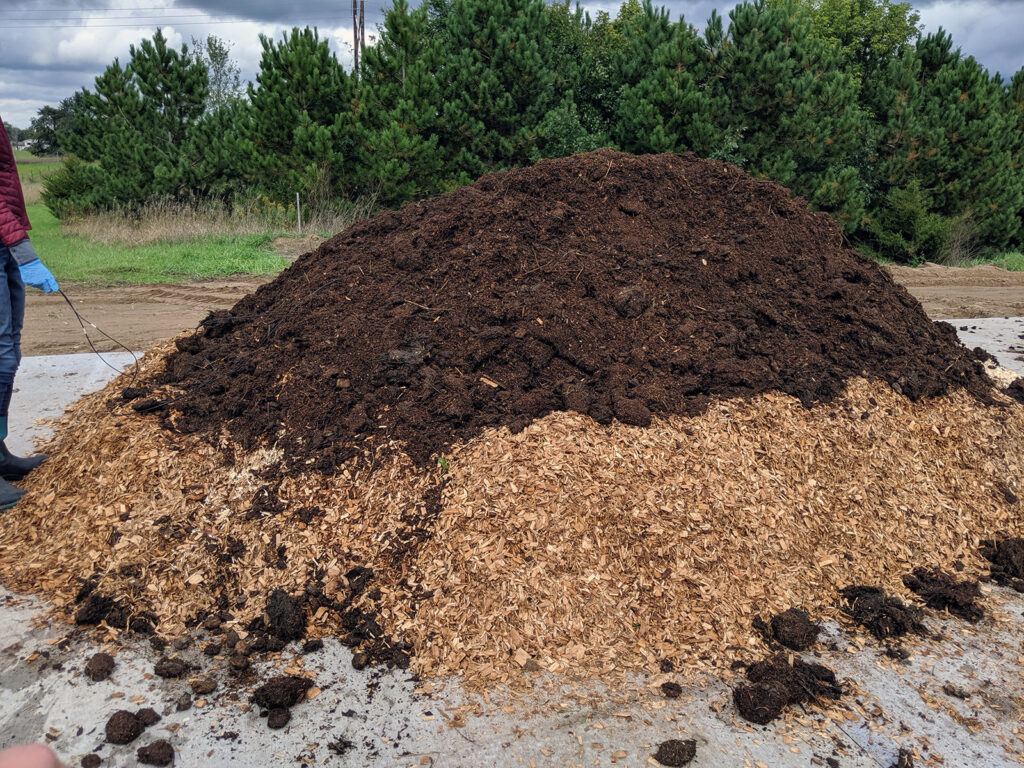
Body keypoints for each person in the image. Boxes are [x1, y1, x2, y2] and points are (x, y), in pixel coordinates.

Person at [0, 117, 59, 508]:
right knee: (0, 355)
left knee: (9, 348)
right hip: (8, 243)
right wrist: (24, 252)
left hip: (3, 245)